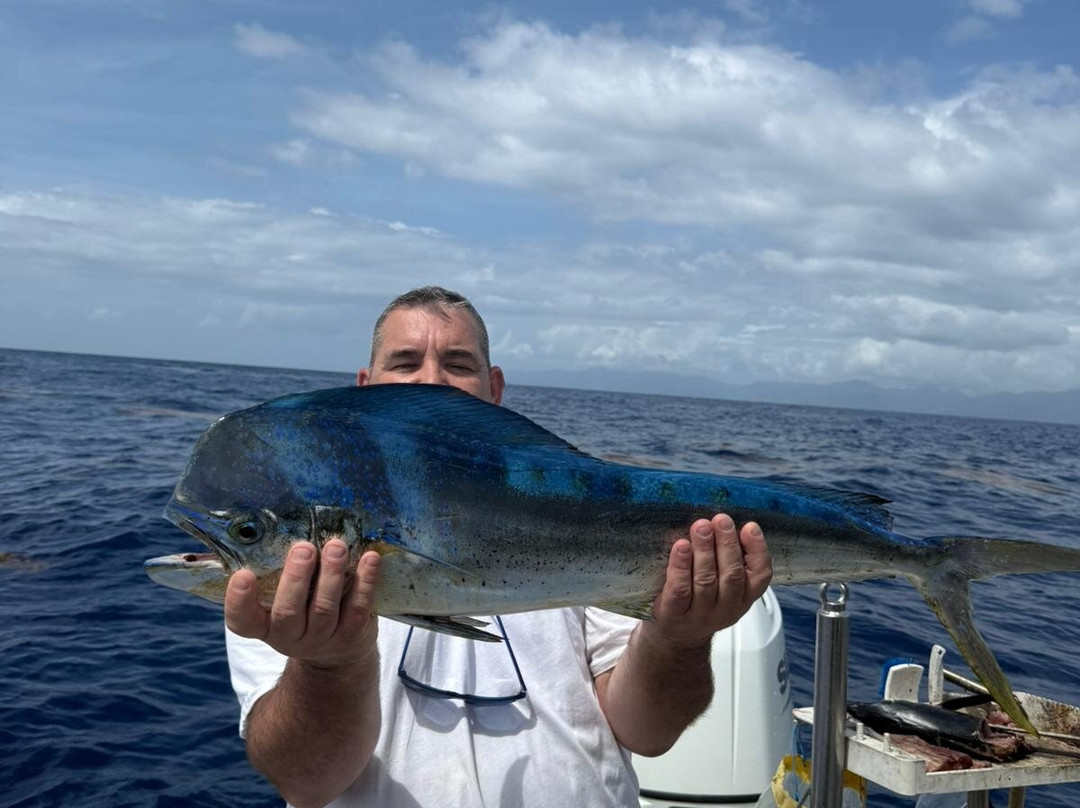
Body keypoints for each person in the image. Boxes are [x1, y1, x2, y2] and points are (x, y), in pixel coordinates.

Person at [224, 286, 773, 808]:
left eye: (459, 364)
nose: (431, 382)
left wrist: (680, 638)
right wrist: (327, 665)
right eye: (405, 362)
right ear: (366, 389)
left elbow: (646, 732)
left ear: (496, 390)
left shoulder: (576, 511)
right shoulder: (291, 552)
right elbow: (306, 781)